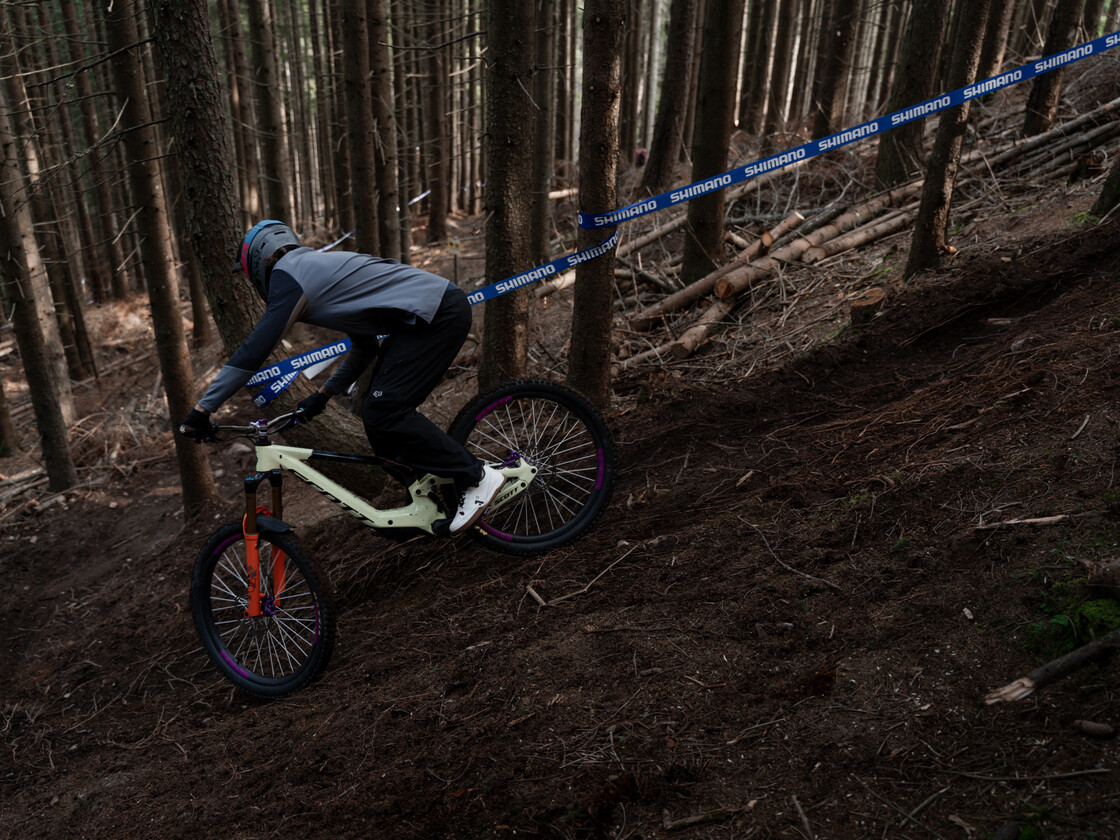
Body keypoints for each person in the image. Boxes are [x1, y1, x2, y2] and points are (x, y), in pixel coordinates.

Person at [178, 220, 504, 534]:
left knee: (385, 410)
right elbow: (365, 346)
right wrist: (323, 395)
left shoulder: (289, 276)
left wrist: (203, 409)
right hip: (422, 320)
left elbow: (254, 351)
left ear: (257, 262)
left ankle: (475, 477)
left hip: (436, 315)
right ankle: (426, 504)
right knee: (375, 420)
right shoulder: (314, 271)